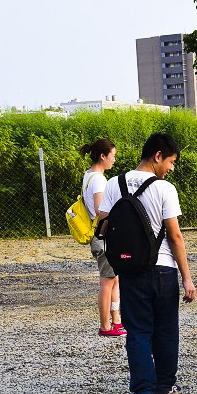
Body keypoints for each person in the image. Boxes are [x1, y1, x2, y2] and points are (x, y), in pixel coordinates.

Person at [96, 132, 196, 394]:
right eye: (172, 161)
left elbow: (102, 224)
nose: (172, 168)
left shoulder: (114, 183)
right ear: (157, 156)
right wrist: (186, 277)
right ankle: (164, 386)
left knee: (137, 331)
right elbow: (175, 236)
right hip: (163, 269)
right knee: (166, 329)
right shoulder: (165, 189)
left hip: (130, 269)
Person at [79, 137, 124, 337]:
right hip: (104, 234)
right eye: (112, 156)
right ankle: (106, 326)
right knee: (107, 281)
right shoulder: (98, 178)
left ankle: (117, 321)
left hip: (100, 234)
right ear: (103, 156)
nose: (114, 160)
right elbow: (100, 210)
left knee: (114, 279)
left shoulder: (88, 175)